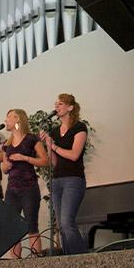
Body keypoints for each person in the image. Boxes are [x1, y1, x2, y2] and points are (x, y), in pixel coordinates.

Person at [39, 93, 89, 254]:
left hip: (73, 180)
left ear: (70, 107)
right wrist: (48, 144)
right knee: (61, 225)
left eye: (60, 104)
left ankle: (81, 259)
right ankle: (69, 262)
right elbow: (54, 162)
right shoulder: (54, 131)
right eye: (56, 104)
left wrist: (54, 146)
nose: (57, 106)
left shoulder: (79, 127)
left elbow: (74, 155)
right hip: (57, 180)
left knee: (67, 222)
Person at [0, 108, 47, 257]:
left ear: (17, 119)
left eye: (8, 118)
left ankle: (36, 262)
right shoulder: (7, 144)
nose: (5, 121)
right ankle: (15, 266)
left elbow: (45, 161)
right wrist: (5, 166)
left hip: (29, 188)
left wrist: (25, 158)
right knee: (13, 229)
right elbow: (4, 168)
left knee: (32, 225)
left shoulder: (32, 139)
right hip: (12, 190)